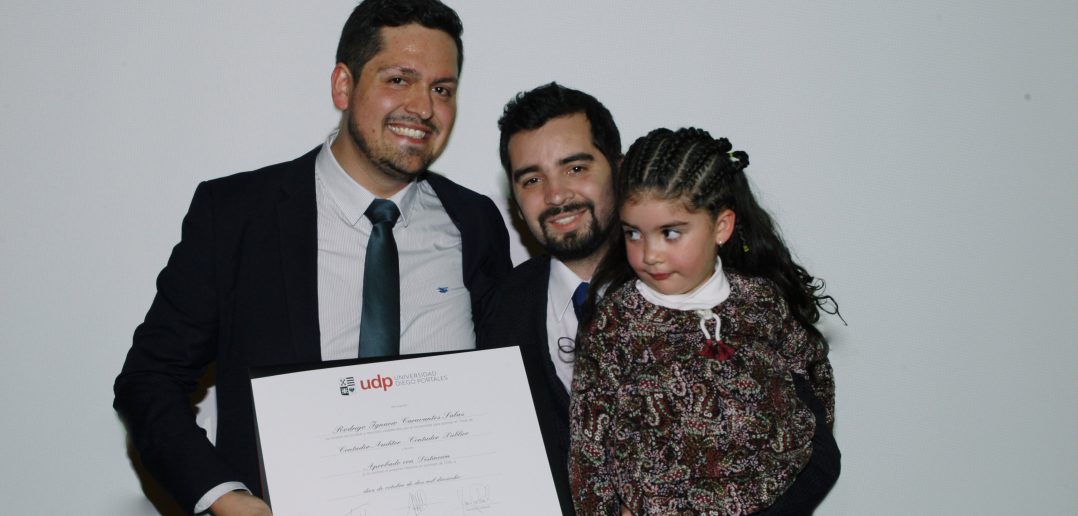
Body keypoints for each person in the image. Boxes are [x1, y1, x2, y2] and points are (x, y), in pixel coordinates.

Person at [113, 1, 511, 514]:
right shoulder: (236, 216)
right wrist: (226, 498)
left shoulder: (475, 223)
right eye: (398, 79)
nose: (423, 107)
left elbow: (503, 389)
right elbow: (149, 380)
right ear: (343, 85)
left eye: (442, 89)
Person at [570, 128, 841, 514]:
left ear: (721, 227)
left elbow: (815, 378)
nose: (650, 254)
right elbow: (588, 448)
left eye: (670, 233)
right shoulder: (614, 325)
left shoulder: (761, 302)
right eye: (633, 233)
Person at [478, 82, 622, 515]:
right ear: (515, 201)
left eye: (575, 168)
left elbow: (799, 453)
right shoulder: (495, 313)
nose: (556, 195)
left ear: (619, 171)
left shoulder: (696, 290)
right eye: (533, 179)